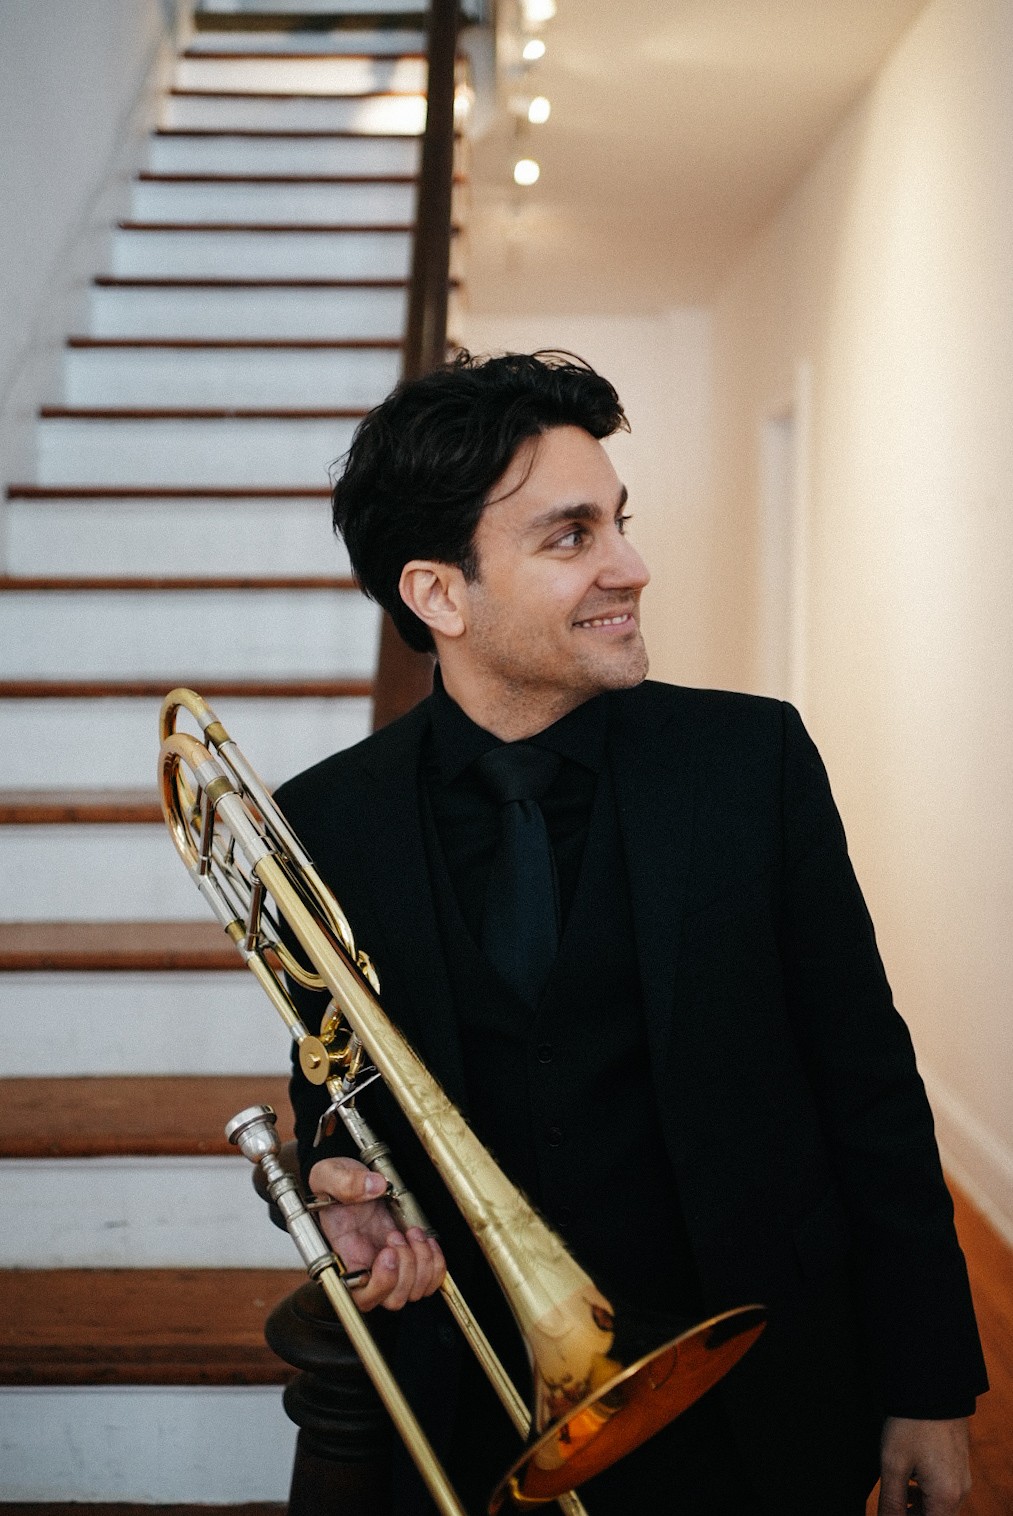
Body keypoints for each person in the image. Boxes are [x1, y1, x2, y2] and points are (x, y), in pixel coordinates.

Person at [276, 351, 986, 1516]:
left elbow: (867, 1087)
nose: (630, 567)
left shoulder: (751, 763)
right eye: (571, 536)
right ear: (438, 594)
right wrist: (334, 1176)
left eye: (618, 521)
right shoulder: (320, 825)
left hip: (759, 1399)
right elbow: (334, 1081)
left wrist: (929, 1386)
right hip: (482, 1410)